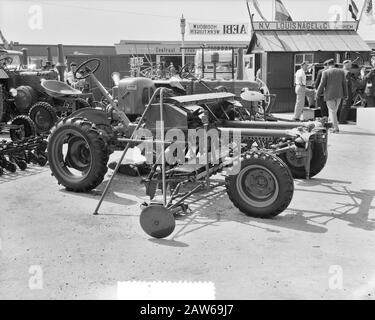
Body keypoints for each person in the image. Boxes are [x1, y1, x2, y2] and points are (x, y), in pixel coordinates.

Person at [316, 59, 348, 133]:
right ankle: (332, 126)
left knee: (332, 111)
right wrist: (346, 94)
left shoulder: (325, 72)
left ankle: (336, 128)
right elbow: (344, 84)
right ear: (334, 64)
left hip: (329, 95)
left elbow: (322, 84)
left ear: (327, 65)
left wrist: (317, 93)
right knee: (334, 111)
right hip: (340, 94)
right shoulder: (341, 71)